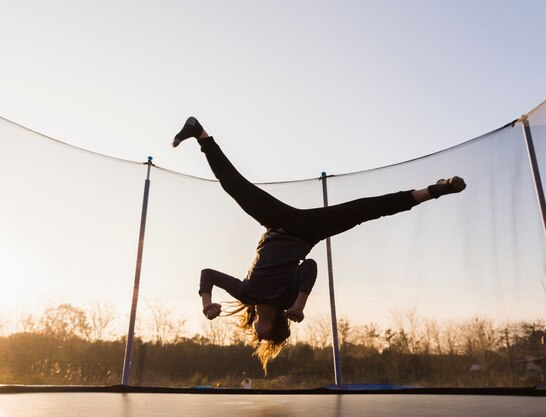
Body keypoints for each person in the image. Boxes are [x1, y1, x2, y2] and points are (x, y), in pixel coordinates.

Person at [172, 116, 467, 373]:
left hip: (275, 223)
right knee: (365, 210)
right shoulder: (286, 300)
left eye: (258, 337)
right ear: (274, 330)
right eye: (265, 338)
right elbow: (310, 266)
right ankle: (435, 190)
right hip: (305, 233)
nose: (257, 335)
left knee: (235, 186)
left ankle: (200, 134)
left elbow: (208, 273)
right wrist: (300, 305)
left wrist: (206, 302)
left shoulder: (246, 293)